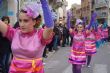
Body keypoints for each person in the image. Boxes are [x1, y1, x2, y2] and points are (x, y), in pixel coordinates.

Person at [0, 2, 54, 73]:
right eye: (20, 20)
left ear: (34, 22)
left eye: (26, 21)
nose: (22, 24)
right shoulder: (14, 33)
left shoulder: (40, 35)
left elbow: (50, 27)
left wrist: (44, 4)